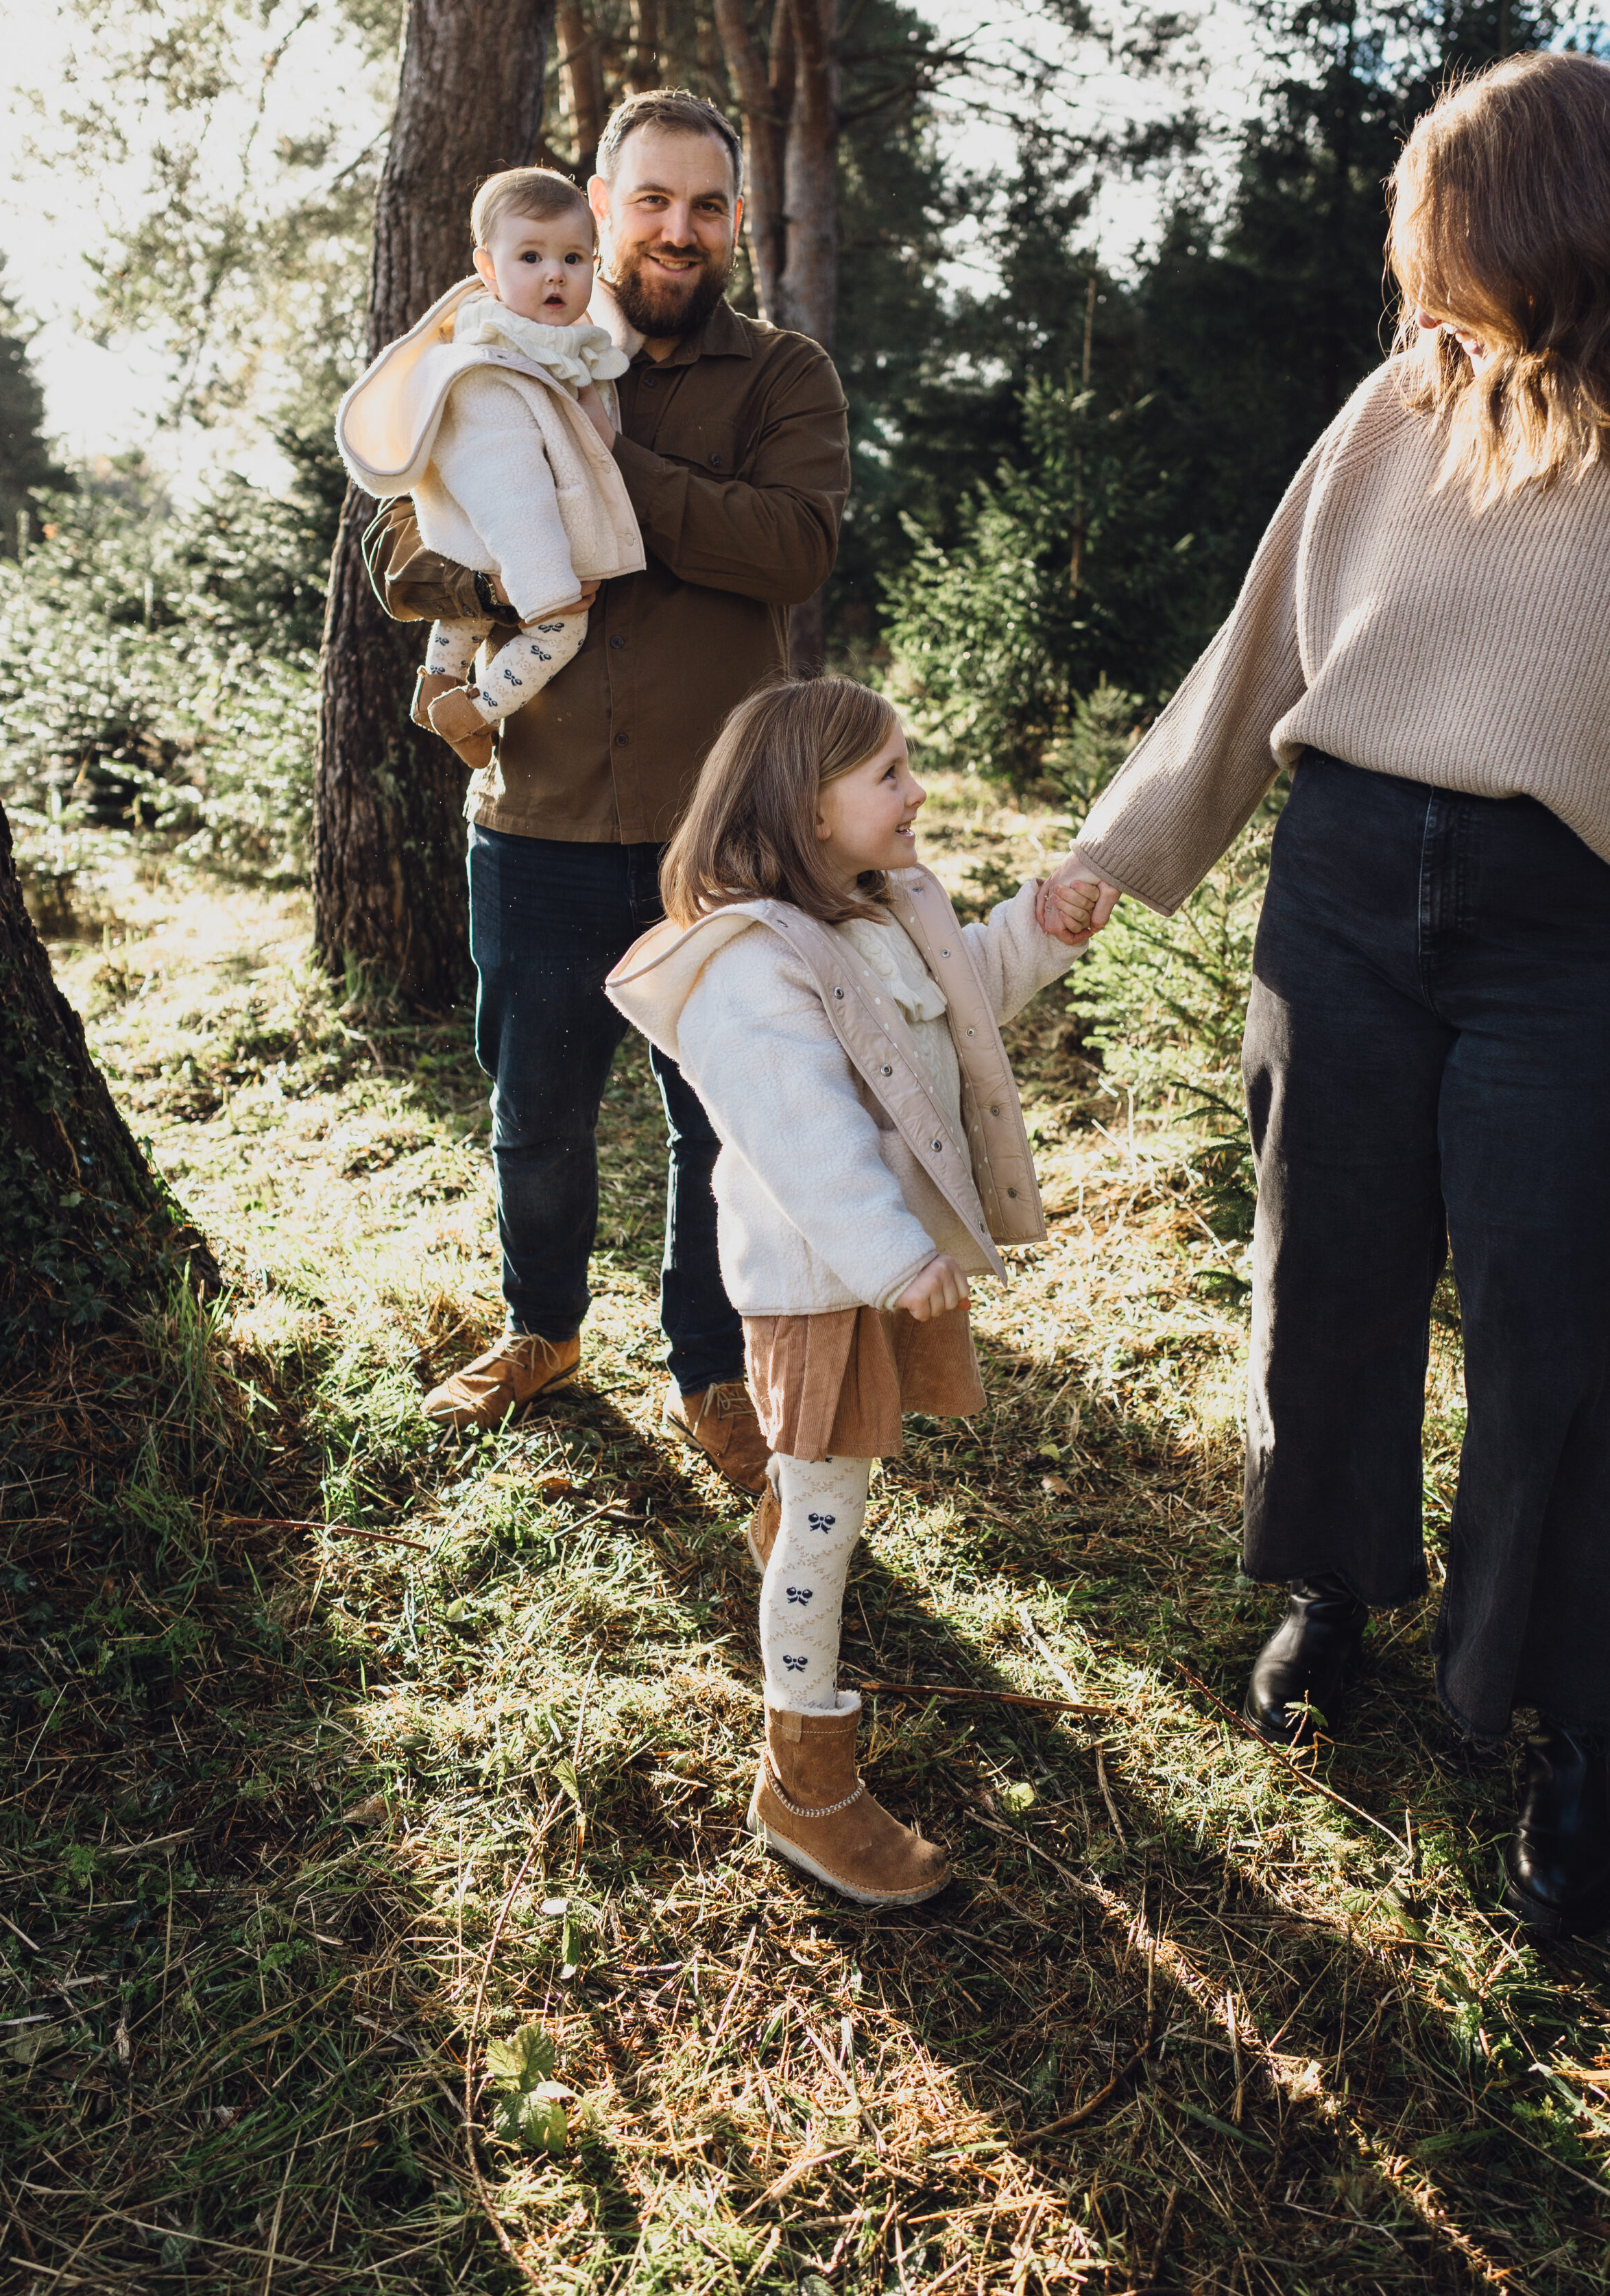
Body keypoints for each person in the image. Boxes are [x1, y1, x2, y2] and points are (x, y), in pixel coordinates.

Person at [1040, 51, 1610, 1938]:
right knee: (1329, 1272)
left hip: (1580, 935)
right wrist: (1114, 854)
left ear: (1561, 229)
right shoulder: (1406, 401)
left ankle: (1561, 1723)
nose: (1422, 288)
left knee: (1572, 1337)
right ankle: (1333, 1586)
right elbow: (1260, 648)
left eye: (1450, 245)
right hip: (1345, 892)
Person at [365, 93, 851, 1484]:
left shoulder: (783, 380)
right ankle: (542, 1332)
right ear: (602, 196)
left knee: (722, 1121)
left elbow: (792, 546)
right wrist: (511, 561)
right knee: (535, 1111)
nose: (678, 231)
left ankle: (710, 1368)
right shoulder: (497, 350)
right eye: (652, 201)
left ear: (739, 220)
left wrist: (599, 473)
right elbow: (404, 545)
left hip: (720, 837)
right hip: (535, 816)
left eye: (707, 205)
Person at [608, 679, 1096, 1909]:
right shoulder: (747, 967)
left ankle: (787, 1509)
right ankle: (804, 1780)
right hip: (828, 1280)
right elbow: (801, 1134)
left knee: (830, 1480)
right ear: (804, 806)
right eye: (886, 772)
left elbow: (962, 989)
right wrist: (891, 1257)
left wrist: (1037, 925)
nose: (917, 790)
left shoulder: (883, 909)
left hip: (885, 1264)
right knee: (830, 1518)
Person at [338, 169, 643, 773]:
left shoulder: (553, 343)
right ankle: (472, 712)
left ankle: (436, 683)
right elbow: (512, 490)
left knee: (466, 612)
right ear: (487, 267)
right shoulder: (489, 369)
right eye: (530, 256)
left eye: (574, 257)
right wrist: (544, 588)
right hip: (523, 551)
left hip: (483, 550)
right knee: (560, 633)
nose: (555, 273)